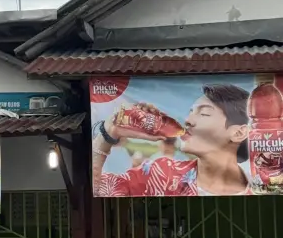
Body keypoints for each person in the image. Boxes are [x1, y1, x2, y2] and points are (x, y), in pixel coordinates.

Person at [93, 83, 250, 197]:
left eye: (204, 113)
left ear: (239, 133)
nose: (188, 121)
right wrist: (108, 134)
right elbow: (96, 190)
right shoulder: (162, 174)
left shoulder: (261, 183)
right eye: (191, 112)